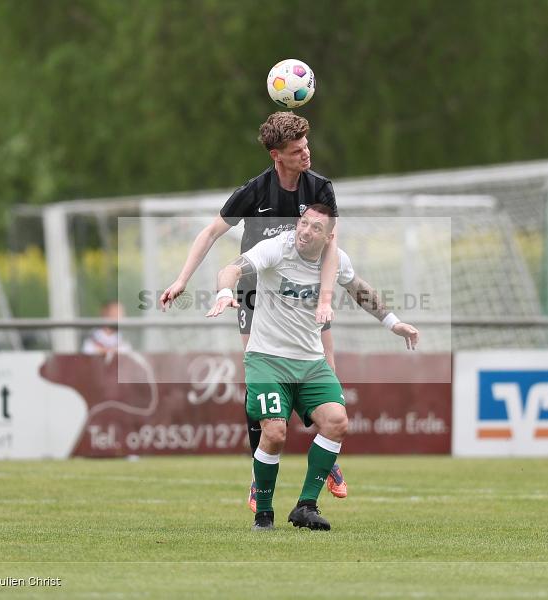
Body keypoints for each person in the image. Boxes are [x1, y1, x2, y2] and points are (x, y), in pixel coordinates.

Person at [160, 111, 348, 511]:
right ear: (276, 155)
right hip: (254, 289)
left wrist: (327, 296)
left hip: (305, 289)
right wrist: (182, 279)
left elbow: (331, 244)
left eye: (307, 146)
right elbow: (211, 232)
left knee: (325, 370)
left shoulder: (321, 188)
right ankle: (256, 474)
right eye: (297, 151)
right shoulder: (255, 191)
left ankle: (327, 456)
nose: (306, 155)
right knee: (261, 372)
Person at [206, 205, 419, 531]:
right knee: (275, 434)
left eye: (315, 228)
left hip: (310, 364)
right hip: (266, 360)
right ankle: (263, 514)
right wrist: (224, 291)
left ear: (329, 237)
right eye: (303, 224)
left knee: (337, 422)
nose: (305, 232)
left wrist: (394, 322)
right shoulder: (277, 248)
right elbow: (231, 269)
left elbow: (359, 289)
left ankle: (306, 506)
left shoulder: (336, 260)